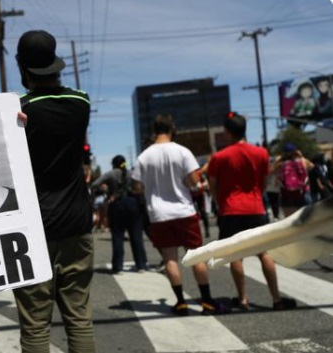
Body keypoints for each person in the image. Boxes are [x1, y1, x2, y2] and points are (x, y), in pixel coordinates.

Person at [12, 29, 95, 353]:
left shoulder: (18, 111)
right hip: (77, 222)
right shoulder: (80, 103)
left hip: (34, 228)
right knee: (79, 318)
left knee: (35, 325)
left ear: (22, 67)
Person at [131, 114, 223, 316]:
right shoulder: (182, 152)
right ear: (172, 129)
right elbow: (193, 182)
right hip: (183, 211)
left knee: (170, 258)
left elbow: (137, 187)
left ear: (155, 131)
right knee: (196, 255)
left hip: (159, 214)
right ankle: (206, 301)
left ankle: (180, 302)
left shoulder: (143, 156)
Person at [207, 113, 297, 311]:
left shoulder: (219, 157)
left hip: (230, 209)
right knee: (264, 253)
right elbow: (263, 182)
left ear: (227, 132)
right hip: (255, 207)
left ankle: (243, 299)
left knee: (236, 255)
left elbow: (212, 186)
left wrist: (219, 202)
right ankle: (276, 299)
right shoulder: (261, 153)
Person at [96, 155, 147, 273]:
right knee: (136, 236)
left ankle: (118, 266)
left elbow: (95, 184)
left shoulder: (110, 174)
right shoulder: (133, 173)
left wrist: (107, 191)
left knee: (117, 236)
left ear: (113, 164)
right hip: (133, 204)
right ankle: (141, 265)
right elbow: (142, 186)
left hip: (117, 205)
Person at [270, 142, 314, 217]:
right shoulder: (303, 161)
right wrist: (301, 156)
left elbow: (270, 171)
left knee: (290, 222)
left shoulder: (281, 164)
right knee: (307, 222)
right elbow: (312, 166)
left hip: (287, 196)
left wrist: (279, 159)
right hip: (303, 193)